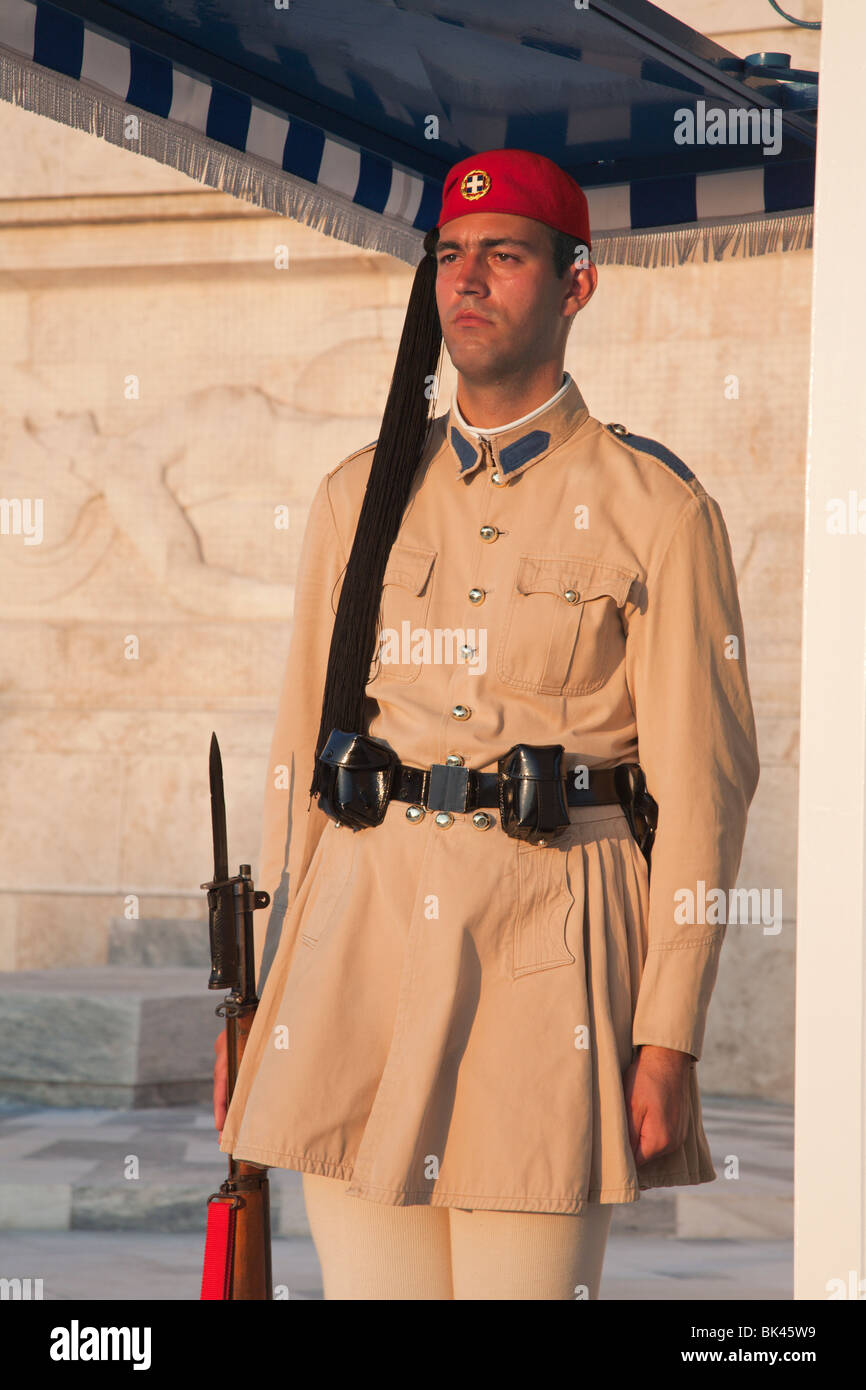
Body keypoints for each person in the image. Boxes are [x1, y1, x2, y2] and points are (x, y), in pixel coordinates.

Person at [213, 148, 760, 1300]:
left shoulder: (657, 511)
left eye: (503, 257)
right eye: (449, 258)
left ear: (576, 285)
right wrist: (261, 1006)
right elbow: (298, 762)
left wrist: (668, 1036)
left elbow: (703, 792)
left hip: (545, 955)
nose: (467, 281)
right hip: (358, 957)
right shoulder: (354, 497)